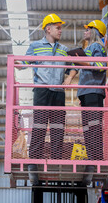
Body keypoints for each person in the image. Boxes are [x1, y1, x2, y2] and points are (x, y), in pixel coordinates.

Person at [23, 13, 77, 185]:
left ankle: (56, 160)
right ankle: (35, 161)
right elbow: (22, 63)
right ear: (48, 28)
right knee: (38, 127)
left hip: (58, 93)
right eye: (58, 27)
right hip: (42, 91)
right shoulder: (35, 46)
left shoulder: (64, 49)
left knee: (57, 129)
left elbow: (75, 65)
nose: (60, 30)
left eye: (60, 28)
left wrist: (69, 78)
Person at [75, 20, 107, 185]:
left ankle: (96, 158)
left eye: (88, 29)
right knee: (88, 129)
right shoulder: (88, 49)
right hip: (86, 93)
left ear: (95, 31)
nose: (85, 31)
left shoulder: (97, 47)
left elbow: (101, 66)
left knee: (94, 127)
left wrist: (82, 61)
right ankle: (92, 156)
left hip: (94, 92)